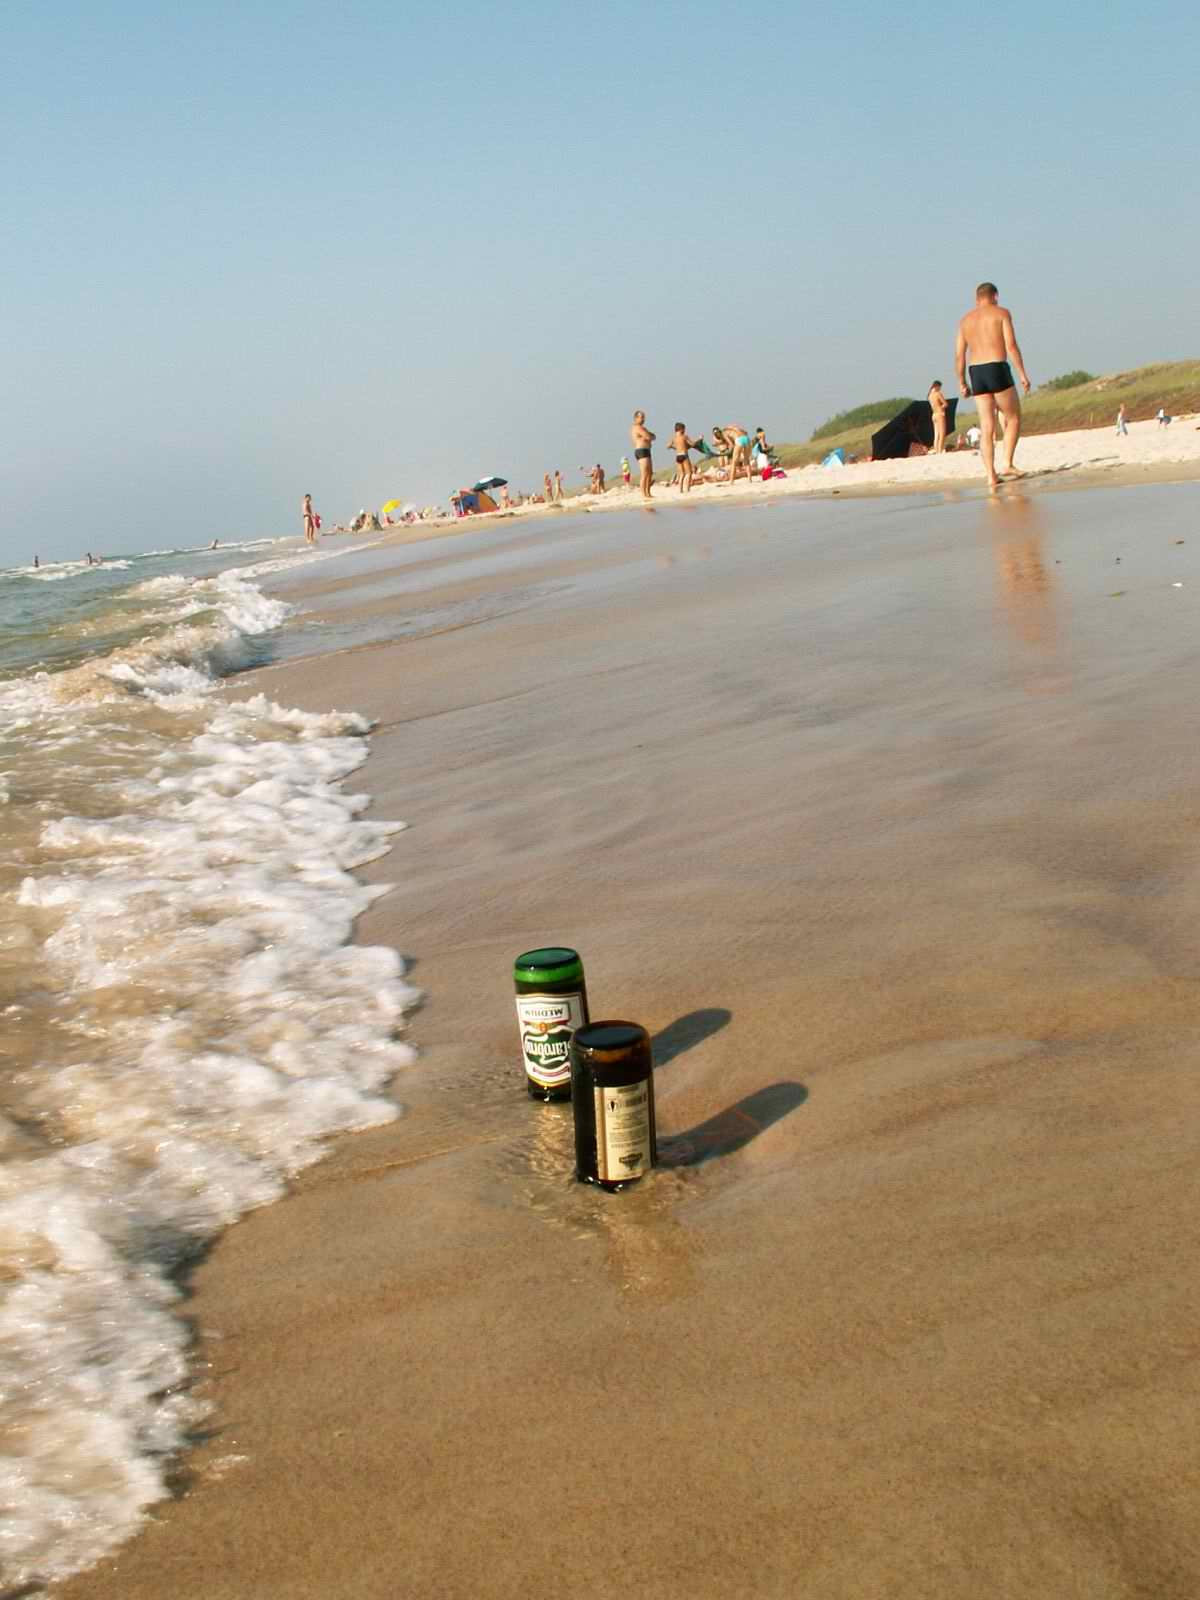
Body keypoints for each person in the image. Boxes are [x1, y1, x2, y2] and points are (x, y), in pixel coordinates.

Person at [955, 281, 1031, 490]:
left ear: (976, 299)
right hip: (996, 366)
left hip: (976, 372)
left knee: (986, 425)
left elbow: (959, 355)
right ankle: (1007, 464)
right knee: (1013, 417)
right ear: (995, 296)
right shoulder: (1001, 313)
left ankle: (990, 475)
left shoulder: (965, 321)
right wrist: (1022, 374)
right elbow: (1011, 346)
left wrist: (962, 382)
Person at [630, 411, 656, 499]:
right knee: (644, 473)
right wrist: (648, 436)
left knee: (650, 473)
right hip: (641, 450)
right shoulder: (637, 428)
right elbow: (649, 436)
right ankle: (643, 494)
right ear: (636, 418)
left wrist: (648, 436)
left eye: (644, 417)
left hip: (647, 450)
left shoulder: (643, 428)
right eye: (641, 417)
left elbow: (653, 436)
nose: (643, 419)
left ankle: (648, 493)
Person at [670, 423, 701, 493]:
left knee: (682, 474)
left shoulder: (673, 438)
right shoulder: (684, 436)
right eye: (684, 429)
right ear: (681, 429)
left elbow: (668, 446)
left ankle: (680, 490)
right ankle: (687, 489)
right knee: (689, 473)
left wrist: (675, 447)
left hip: (678, 455)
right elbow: (692, 444)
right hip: (684, 455)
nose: (685, 431)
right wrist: (699, 439)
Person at [928, 381, 949, 453]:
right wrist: (942, 407)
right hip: (940, 414)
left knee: (936, 434)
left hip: (934, 415)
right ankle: (940, 450)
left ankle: (936, 449)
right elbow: (945, 404)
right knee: (942, 433)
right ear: (937, 386)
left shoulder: (930, 395)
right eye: (940, 387)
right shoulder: (938, 394)